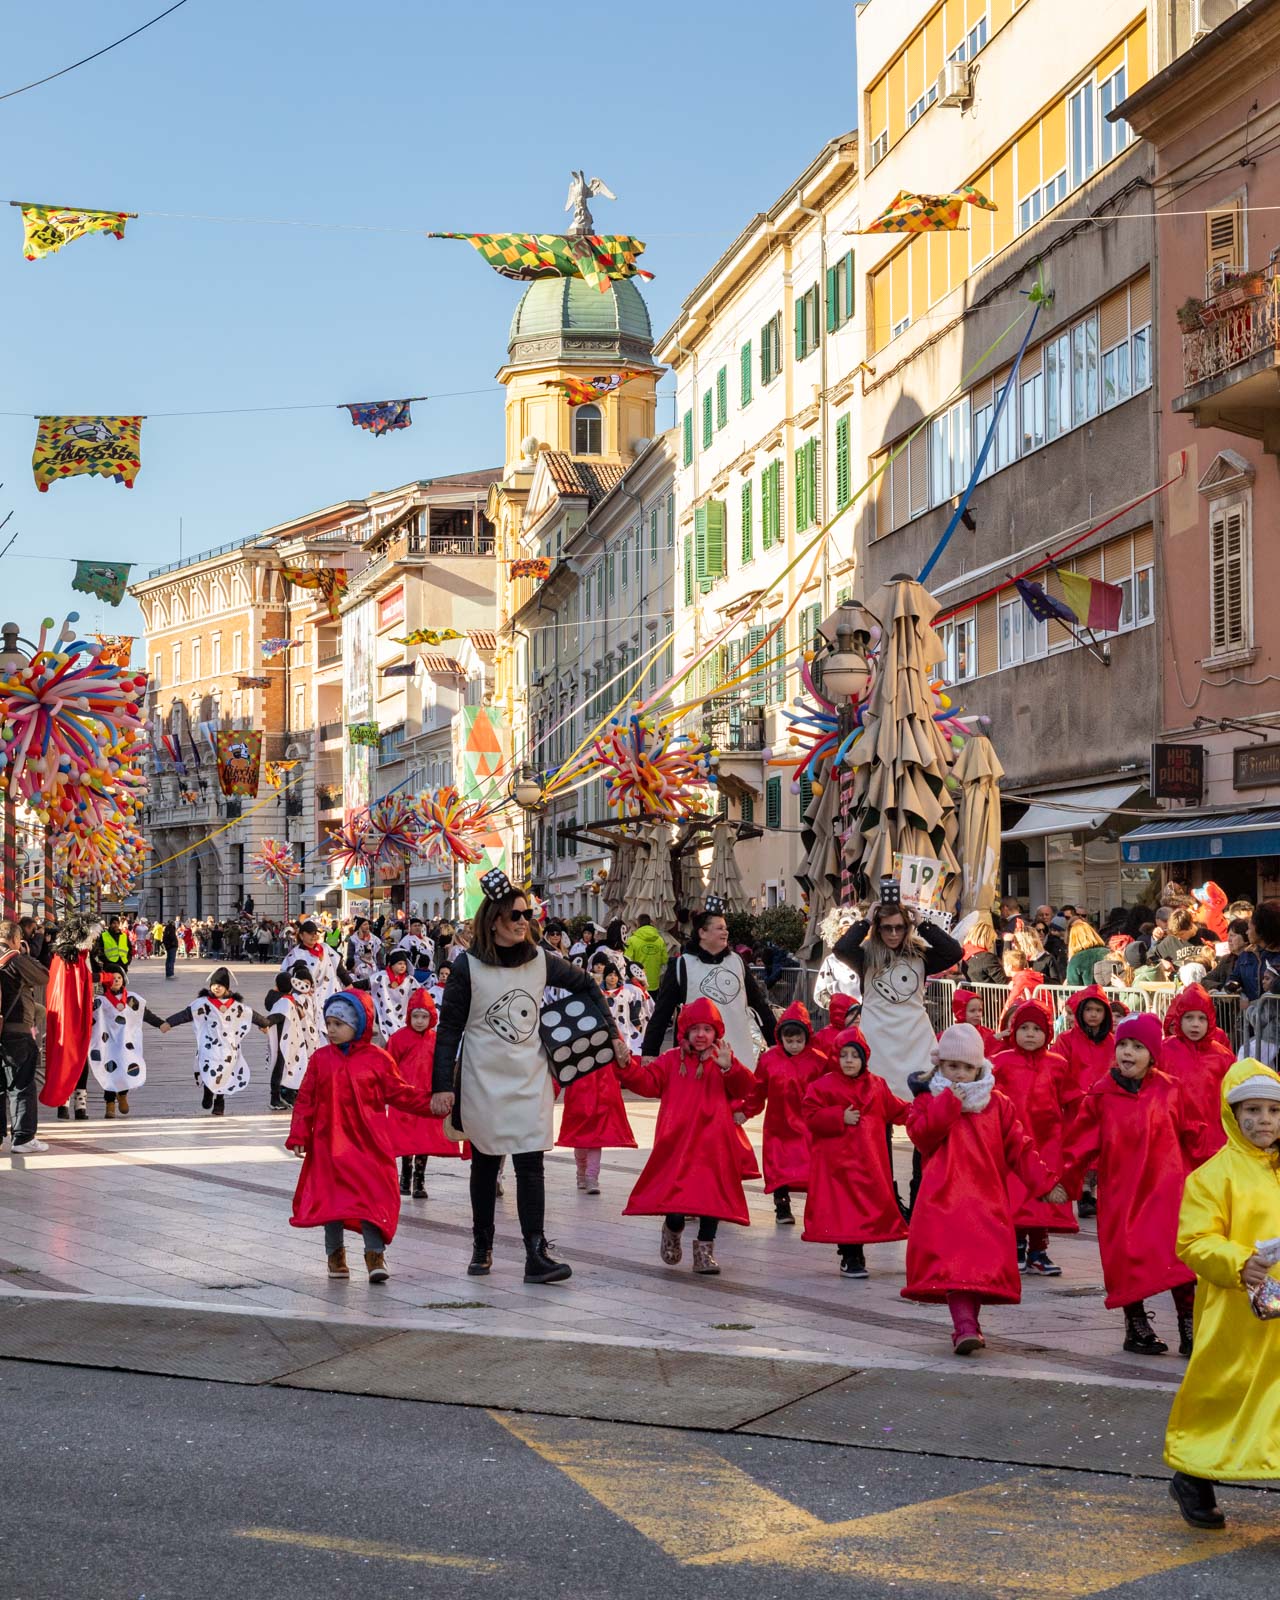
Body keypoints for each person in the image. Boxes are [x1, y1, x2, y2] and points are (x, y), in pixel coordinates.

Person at [431, 873, 625, 1284]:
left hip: (530, 1076)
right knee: (485, 1162)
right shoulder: (467, 966)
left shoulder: (539, 959)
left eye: (527, 915)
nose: (524, 922)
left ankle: (535, 1253)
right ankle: (482, 1246)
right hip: (483, 1078)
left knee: (530, 1162)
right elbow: (449, 1028)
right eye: (516, 915)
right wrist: (442, 1087)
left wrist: (608, 1030)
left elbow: (586, 985)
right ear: (495, 919)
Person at [1164, 1060, 1280, 1530]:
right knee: (1223, 1392)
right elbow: (1194, 1241)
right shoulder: (1213, 1177)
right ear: (1233, 1114)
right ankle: (1192, 1472)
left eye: (1274, 1110)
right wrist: (1238, 1262)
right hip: (1239, 1311)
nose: (1264, 1120)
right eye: (1251, 1110)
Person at [903, 1022, 1067, 1355]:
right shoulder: (928, 1099)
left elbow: (1019, 1148)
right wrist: (947, 1103)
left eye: (966, 1067)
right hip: (942, 1199)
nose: (959, 1074)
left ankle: (969, 1324)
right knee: (952, 1266)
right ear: (939, 1065)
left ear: (979, 1067)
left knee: (976, 1267)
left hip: (985, 1200)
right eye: (952, 1066)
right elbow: (922, 1135)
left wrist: (1045, 1183)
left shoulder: (997, 1104)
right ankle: (965, 1326)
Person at [1061, 1011, 1205, 1359]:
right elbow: (1077, 1145)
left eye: (1137, 1046)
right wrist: (1063, 1184)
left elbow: (1196, 1135)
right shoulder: (1101, 1094)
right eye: (1123, 1044)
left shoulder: (1171, 1089)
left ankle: (1189, 1323)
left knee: (1179, 1257)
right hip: (1123, 1194)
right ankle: (1136, 1323)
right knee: (1127, 1259)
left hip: (1169, 1190)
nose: (1127, 1051)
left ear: (1152, 1054)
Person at [287, 989, 436, 1282]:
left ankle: (374, 1255)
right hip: (329, 1144)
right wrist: (300, 1135)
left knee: (371, 1198)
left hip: (369, 1144)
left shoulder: (378, 1060)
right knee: (331, 1203)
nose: (331, 1030)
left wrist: (434, 1104)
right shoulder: (320, 1060)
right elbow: (306, 1100)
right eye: (328, 1023)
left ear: (359, 1024)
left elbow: (400, 1093)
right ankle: (335, 1256)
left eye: (338, 1024)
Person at [619, 997, 755, 1276]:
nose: (701, 1035)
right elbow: (647, 1083)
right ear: (685, 1032)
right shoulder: (671, 1061)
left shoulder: (723, 1059)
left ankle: (705, 1252)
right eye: (695, 1029)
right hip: (677, 1144)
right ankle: (672, 1227)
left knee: (711, 1200)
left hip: (714, 1145)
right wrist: (626, 1067)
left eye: (707, 1029)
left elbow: (746, 1090)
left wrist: (731, 1069)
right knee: (677, 1202)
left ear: (717, 1032)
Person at [800, 1024, 910, 1278]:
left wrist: (924, 1112)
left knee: (864, 1209)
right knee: (844, 1210)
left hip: (868, 1163)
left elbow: (898, 1109)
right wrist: (839, 1116)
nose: (849, 1061)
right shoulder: (823, 1086)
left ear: (864, 1058)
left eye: (855, 1055)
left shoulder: (877, 1085)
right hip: (837, 1165)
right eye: (844, 1055)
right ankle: (851, 1254)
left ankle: (855, 1252)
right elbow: (810, 1115)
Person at [832, 900, 964, 1101]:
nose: (893, 934)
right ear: (878, 929)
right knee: (877, 1102)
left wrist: (923, 925)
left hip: (914, 1040)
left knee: (923, 1102)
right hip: (877, 1041)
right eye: (887, 928)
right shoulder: (865, 957)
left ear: (906, 928)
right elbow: (842, 948)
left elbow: (953, 952)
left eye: (899, 928)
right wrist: (866, 920)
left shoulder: (920, 955)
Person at [991, 1000, 1077, 1275]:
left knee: (1042, 1195)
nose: (1030, 1034)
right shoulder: (1001, 1063)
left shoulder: (1057, 1064)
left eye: (1036, 1029)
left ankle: (1039, 1250)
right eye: (1024, 1028)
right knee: (1016, 1194)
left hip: (1048, 1141)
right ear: (1012, 1030)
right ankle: (1015, 1244)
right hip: (1013, 1141)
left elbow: (1072, 1098)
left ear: (1048, 1033)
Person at [641, 897, 777, 1071]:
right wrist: (650, 1051)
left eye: (726, 928)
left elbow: (758, 1004)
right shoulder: (681, 965)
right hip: (694, 1055)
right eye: (719, 928)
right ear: (702, 933)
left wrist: (774, 1042)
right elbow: (662, 1012)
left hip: (737, 1049)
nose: (725, 932)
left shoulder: (737, 962)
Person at [736, 1002, 826, 1226]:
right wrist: (746, 1111)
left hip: (808, 1125)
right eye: (790, 1041)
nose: (794, 1046)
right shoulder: (769, 1060)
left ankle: (817, 1206)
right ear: (781, 1038)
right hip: (778, 1125)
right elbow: (758, 1090)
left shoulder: (818, 1061)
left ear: (807, 1037)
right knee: (778, 1167)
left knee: (812, 1165)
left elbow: (831, 1090)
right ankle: (782, 1205)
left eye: (799, 1041)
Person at [386, 988, 467, 1200]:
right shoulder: (398, 1039)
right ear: (409, 1016)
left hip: (427, 1097)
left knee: (423, 1139)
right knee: (405, 1139)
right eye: (416, 1016)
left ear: (432, 1017)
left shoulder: (436, 1040)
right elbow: (388, 1065)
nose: (420, 1021)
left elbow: (444, 1065)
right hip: (403, 1098)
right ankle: (405, 1175)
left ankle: (419, 1180)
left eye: (424, 1016)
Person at [164, 967, 271, 1115]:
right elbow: (187, 1014)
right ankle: (208, 1091)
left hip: (228, 1047)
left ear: (227, 987)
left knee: (225, 1072)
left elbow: (252, 1015)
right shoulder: (203, 1004)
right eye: (214, 985)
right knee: (209, 1069)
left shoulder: (236, 1006)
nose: (216, 987)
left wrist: (265, 1024)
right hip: (209, 1046)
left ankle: (219, 1100)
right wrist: (169, 1023)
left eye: (220, 985)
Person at [554, 1006, 637, 1196]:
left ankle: (592, 1177)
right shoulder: (572, 1026)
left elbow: (622, 1055)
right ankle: (581, 1173)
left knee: (596, 1137)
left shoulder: (610, 1028)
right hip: (580, 1091)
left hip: (604, 1090)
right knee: (580, 1138)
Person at [1160, 983, 1235, 1157]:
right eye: (1189, 1018)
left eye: (1202, 1018)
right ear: (1179, 1018)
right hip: (1174, 1132)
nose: (1195, 1024)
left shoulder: (1223, 1056)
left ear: (1210, 1021)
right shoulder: (1163, 1051)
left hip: (1213, 1135)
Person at [0, 920, 55, 1154]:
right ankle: (23, 1138)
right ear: (15, 938)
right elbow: (43, 976)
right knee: (21, 1086)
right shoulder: (14, 959)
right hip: (16, 1031)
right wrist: (25, 952)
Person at [88, 962, 169, 1117]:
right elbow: (90, 1017)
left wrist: (160, 1024)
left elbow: (144, 1014)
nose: (116, 980)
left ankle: (123, 1095)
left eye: (119, 977)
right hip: (108, 1044)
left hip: (126, 1043)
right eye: (112, 978)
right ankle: (109, 1103)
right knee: (110, 1071)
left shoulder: (131, 999)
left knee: (125, 1068)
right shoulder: (100, 1001)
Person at [265, 963, 321, 1112]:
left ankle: (288, 1093)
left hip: (292, 1040)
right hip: (283, 1041)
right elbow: (277, 1016)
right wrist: (265, 1023)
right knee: (280, 1069)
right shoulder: (286, 1001)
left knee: (291, 1066)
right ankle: (276, 1097)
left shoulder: (290, 1000)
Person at [285, 920, 348, 1003]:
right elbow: (289, 975)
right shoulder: (295, 954)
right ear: (301, 936)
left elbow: (339, 969)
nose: (314, 936)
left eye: (315, 933)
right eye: (310, 933)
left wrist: (349, 983)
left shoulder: (325, 948)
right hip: (308, 998)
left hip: (330, 994)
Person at [1234, 901, 1280, 1001]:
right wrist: (1230, 988)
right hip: (1251, 1016)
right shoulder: (1246, 954)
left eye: (1249, 928)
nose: (1246, 932)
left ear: (1261, 930)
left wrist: (1252, 1005)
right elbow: (1235, 977)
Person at [1151, 909, 1215, 980]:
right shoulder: (1170, 940)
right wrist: (1161, 962)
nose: (1178, 938)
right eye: (1176, 935)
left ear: (1190, 925)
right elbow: (1149, 957)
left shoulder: (1208, 935)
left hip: (1205, 981)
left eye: (1181, 934)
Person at [369, 947, 416, 1041]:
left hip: (402, 1015)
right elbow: (367, 983)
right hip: (384, 1013)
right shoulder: (382, 977)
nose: (402, 966)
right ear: (392, 965)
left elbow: (419, 993)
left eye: (404, 964)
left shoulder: (409, 980)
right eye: (399, 963)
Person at [949, 989, 1000, 1060]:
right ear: (961, 1012)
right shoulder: (951, 1035)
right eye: (972, 1011)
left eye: (980, 1010)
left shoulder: (989, 1033)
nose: (978, 1014)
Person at [812, 992, 862, 1065]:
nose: (858, 1017)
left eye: (858, 1013)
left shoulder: (860, 1034)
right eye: (851, 1014)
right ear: (840, 1015)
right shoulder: (823, 1037)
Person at [624, 914, 668, 995]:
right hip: (654, 983)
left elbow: (627, 961)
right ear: (650, 923)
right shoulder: (660, 940)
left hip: (637, 984)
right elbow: (664, 960)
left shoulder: (632, 940)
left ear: (638, 924)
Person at [1204, 919, 1250, 993]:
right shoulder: (1225, 959)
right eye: (1228, 935)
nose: (1229, 939)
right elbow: (1205, 980)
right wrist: (1223, 988)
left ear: (1246, 938)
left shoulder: (1253, 959)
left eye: (1232, 935)